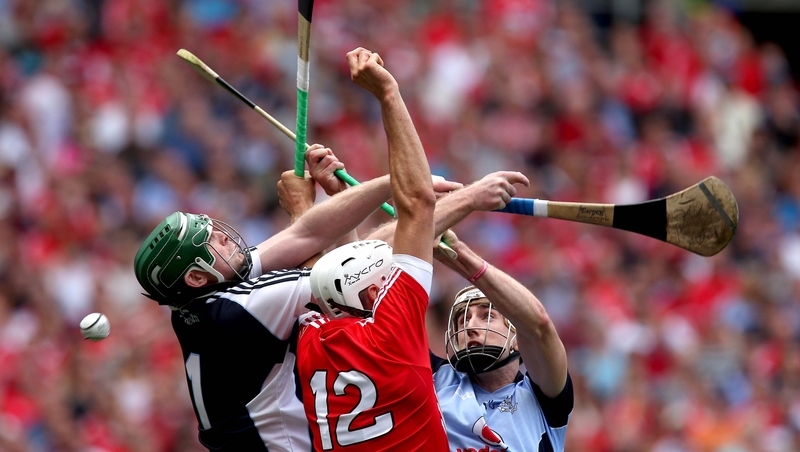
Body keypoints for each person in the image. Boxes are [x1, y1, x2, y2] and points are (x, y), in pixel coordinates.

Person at [133, 139, 460, 450]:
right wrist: (434, 194)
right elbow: (349, 271)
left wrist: (340, 196)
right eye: (211, 242)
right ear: (195, 276)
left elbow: (306, 235)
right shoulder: (241, 310)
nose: (225, 237)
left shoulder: (198, 303)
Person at [295, 47, 449, 451]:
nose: (390, 279)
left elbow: (333, 267)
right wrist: (388, 94)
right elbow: (418, 204)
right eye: (384, 279)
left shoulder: (312, 340)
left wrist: (337, 199)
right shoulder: (391, 333)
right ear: (371, 294)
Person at [431, 230, 573, 452]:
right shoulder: (436, 379)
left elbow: (539, 325)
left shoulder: (543, 397)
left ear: (518, 339)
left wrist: (460, 255)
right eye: (463, 320)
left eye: (487, 316)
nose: (469, 326)